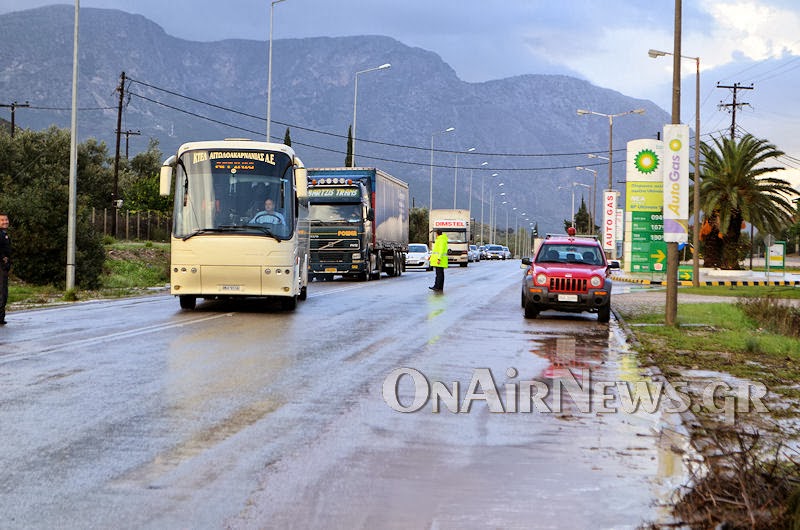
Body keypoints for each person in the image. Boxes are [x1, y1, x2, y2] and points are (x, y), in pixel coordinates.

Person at [0, 213, 11, 325]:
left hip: (3, 267)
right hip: (1, 267)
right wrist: (3, 258)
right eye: (2, 220)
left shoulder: (4, 234)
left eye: (6, 219)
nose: (5, 222)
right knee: (2, 292)